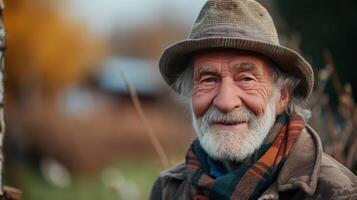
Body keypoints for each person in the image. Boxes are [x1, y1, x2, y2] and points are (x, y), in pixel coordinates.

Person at [150, 0, 357, 199]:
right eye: (208, 80)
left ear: (282, 97)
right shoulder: (168, 190)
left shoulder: (337, 192)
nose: (225, 102)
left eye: (246, 79)